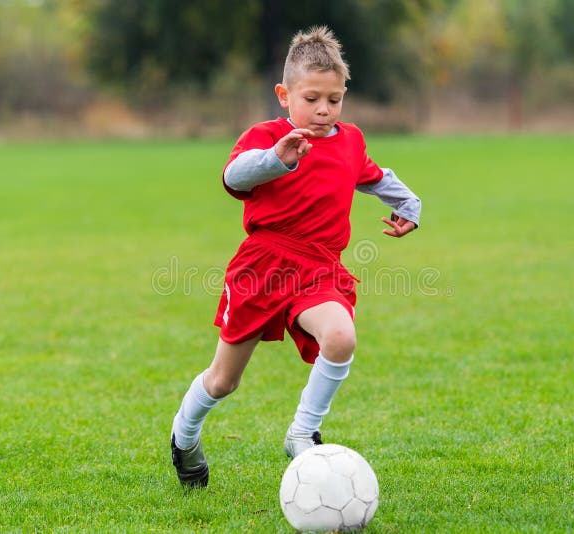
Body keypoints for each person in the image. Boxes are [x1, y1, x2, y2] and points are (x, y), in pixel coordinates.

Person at [170, 26, 421, 487]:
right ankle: (184, 438)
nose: (324, 110)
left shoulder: (349, 139)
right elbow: (234, 177)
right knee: (224, 381)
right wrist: (276, 159)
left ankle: (301, 433)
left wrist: (410, 206)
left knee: (341, 337)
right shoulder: (265, 137)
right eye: (312, 98)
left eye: (334, 99)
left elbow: (371, 175)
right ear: (284, 95)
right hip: (263, 266)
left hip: (320, 267)